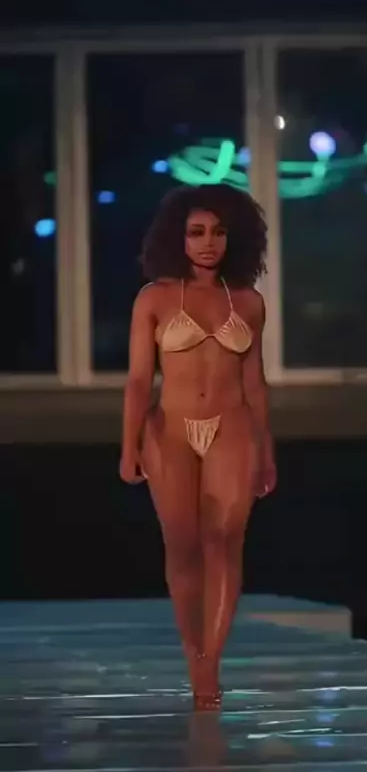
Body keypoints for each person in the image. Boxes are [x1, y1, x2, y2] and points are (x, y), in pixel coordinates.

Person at [119, 183, 276, 711]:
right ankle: (195, 656)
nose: (208, 242)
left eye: (219, 232)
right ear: (178, 237)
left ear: (235, 238)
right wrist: (128, 444)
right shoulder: (155, 298)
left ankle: (212, 662)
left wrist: (266, 450)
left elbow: (255, 384)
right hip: (170, 429)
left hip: (232, 427)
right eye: (197, 232)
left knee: (225, 540)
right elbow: (138, 381)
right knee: (183, 544)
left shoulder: (248, 302)